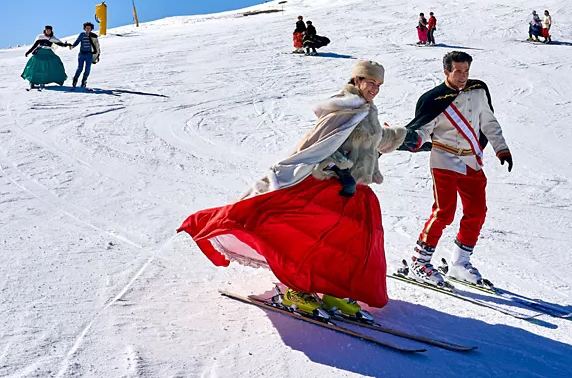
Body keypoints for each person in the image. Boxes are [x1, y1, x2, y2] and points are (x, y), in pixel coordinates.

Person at [178, 61, 407, 318]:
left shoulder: (366, 110)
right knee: (305, 238)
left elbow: (372, 138)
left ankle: (335, 289)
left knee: (353, 244)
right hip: (330, 186)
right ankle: (295, 289)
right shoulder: (344, 108)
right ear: (357, 79)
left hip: (356, 192)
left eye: (379, 85)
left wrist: (402, 136)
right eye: (371, 82)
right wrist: (341, 170)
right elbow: (317, 146)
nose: (375, 89)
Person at [397, 51, 512, 286]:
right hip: (444, 160)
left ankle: (460, 263)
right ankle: (420, 261)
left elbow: (488, 122)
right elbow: (423, 129)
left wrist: (502, 148)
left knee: (477, 212)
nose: (463, 76)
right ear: (446, 71)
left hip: (471, 161)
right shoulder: (433, 99)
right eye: (458, 71)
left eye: (466, 71)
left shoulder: (478, 90)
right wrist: (415, 140)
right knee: (444, 212)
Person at [21, 25, 70, 90]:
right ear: (45, 30)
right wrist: (28, 52)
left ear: (51, 31)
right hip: (40, 53)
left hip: (48, 53)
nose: (48, 31)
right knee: (35, 67)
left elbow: (60, 44)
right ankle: (32, 82)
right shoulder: (40, 37)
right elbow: (34, 46)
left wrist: (65, 44)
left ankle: (44, 81)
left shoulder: (53, 38)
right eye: (47, 30)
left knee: (54, 63)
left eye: (49, 30)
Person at [70, 22, 100, 90]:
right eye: (86, 28)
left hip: (89, 54)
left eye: (89, 28)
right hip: (81, 54)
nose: (88, 29)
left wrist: (97, 54)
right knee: (80, 68)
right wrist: (72, 46)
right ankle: (75, 80)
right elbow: (77, 41)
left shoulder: (93, 36)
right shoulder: (82, 35)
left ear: (91, 29)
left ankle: (84, 81)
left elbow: (96, 45)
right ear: (84, 28)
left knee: (87, 69)